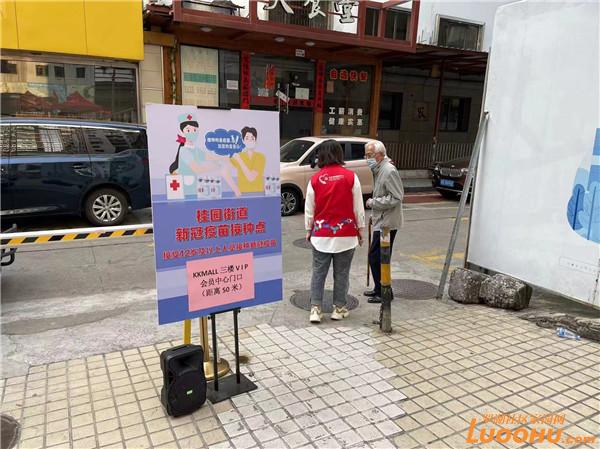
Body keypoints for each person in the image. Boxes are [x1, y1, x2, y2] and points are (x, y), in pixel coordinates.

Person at [305, 140, 365, 323]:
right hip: (346, 234)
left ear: (321, 155)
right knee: (342, 273)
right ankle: (339, 308)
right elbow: (358, 207)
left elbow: (309, 208)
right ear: (340, 154)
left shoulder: (315, 179)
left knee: (318, 272)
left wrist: (308, 229)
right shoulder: (351, 177)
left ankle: (315, 309)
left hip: (321, 235)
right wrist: (360, 229)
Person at [364, 140, 404, 303]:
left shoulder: (388, 170)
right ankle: (379, 288)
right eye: (366, 155)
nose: (367, 159)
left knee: (378, 257)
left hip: (388, 223)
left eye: (370, 155)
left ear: (380, 155)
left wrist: (374, 203)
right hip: (381, 220)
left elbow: (397, 197)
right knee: (377, 256)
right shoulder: (378, 169)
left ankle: (385, 293)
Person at [170, 113, 240, 197]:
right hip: (187, 187)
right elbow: (197, 169)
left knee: (222, 169)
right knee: (221, 170)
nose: (193, 133)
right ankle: (237, 192)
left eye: (195, 130)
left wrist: (226, 158)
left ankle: (237, 192)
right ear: (182, 132)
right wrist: (216, 166)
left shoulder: (195, 149)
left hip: (195, 184)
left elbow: (210, 157)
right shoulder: (184, 151)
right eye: (188, 130)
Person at [231, 127, 266, 194]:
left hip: (257, 192)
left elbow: (251, 178)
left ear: (255, 140)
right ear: (243, 141)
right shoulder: (239, 155)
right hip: (242, 192)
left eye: (252, 138)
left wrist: (240, 160)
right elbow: (225, 167)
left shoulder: (260, 157)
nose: (249, 141)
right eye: (247, 138)